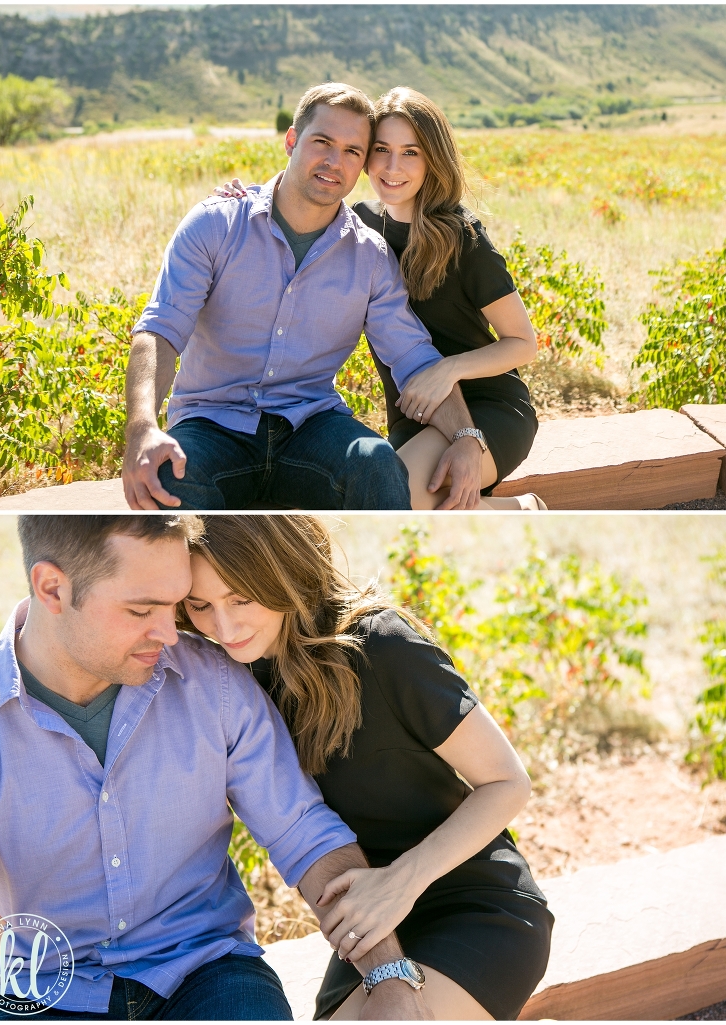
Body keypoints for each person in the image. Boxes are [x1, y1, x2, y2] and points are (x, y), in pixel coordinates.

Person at [0, 515, 433, 1021]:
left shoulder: (213, 681)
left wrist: (388, 976)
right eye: (142, 609)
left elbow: (303, 832)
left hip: (209, 974)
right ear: (53, 588)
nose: (169, 634)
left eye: (175, 605)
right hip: (45, 990)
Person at [178, 515, 554, 1021]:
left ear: (283, 573)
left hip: (471, 903)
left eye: (242, 598)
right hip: (370, 928)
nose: (223, 627)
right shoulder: (230, 679)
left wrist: (400, 882)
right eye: (201, 605)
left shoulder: (382, 646)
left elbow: (508, 782)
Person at [123, 82, 484, 512]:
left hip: (311, 428)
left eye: (353, 151)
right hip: (211, 423)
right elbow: (161, 330)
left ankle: (389, 579)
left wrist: (466, 437)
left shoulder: (370, 257)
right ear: (291, 141)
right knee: (171, 477)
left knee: (376, 463)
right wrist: (142, 426)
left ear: (363, 164)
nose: (334, 161)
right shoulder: (216, 225)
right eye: (322, 142)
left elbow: (413, 358)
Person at [218, 87, 545, 511]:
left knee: (397, 503)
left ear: (433, 159)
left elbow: (524, 342)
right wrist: (240, 201)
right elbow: (292, 200)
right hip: (413, 416)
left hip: (489, 413)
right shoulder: (360, 226)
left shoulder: (465, 241)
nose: (393, 167)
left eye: (411, 152)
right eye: (382, 150)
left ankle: (524, 511)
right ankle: (513, 511)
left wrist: (447, 370)